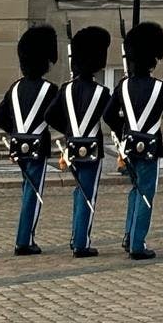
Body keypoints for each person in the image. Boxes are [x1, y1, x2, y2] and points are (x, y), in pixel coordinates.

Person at [104, 21, 163, 260]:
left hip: (129, 147)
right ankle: (137, 244)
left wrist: (124, 131)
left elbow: (109, 115)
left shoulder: (123, 87)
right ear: (153, 58)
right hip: (150, 147)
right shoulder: (160, 87)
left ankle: (129, 235)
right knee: (146, 193)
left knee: (135, 190)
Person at [44, 26, 111, 258]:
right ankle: (81, 242)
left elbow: (49, 116)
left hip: (72, 147)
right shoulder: (102, 92)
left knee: (78, 191)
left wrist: (69, 131)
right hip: (93, 147)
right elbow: (111, 116)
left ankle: (75, 237)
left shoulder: (65, 90)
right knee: (87, 193)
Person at [0, 25, 59, 256]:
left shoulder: (15, 88)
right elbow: (56, 116)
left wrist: (17, 132)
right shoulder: (50, 89)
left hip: (19, 145)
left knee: (27, 189)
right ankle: (24, 240)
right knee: (33, 192)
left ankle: (25, 237)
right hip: (38, 146)